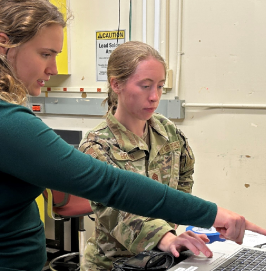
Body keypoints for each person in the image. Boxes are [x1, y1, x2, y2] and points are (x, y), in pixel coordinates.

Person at [0, 0, 266, 271]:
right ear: (3, 43)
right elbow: (105, 183)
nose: (53, 68)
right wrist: (213, 213)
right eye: (46, 54)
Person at [79, 41, 218, 271]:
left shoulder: (167, 131)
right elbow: (115, 213)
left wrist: (172, 223)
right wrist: (166, 237)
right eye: (145, 86)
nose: (155, 96)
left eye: (160, 86)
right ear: (116, 84)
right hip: (113, 265)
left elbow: (184, 174)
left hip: (160, 258)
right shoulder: (97, 146)